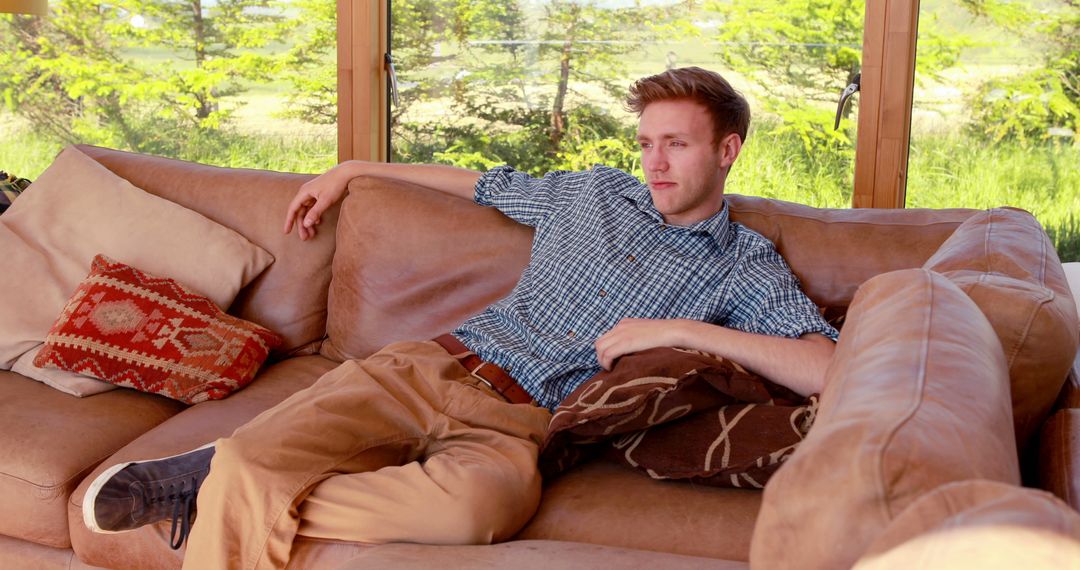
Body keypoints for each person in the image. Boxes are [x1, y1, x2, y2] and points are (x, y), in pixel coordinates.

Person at [82, 67, 838, 569]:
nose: (656, 163)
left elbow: (827, 366)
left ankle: (219, 481)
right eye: (647, 143)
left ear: (728, 150)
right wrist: (355, 170)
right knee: (253, 465)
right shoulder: (591, 194)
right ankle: (236, 476)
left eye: (677, 144)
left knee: (478, 512)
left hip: (519, 425)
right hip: (425, 368)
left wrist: (678, 332)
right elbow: (478, 184)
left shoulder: (743, 264)